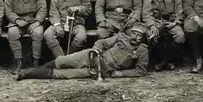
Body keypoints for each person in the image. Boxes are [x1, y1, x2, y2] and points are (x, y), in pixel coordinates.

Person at [16, 23, 149, 80]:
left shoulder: (142, 50)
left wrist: (119, 73)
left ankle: (27, 75)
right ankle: (29, 72)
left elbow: (140, 71)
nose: (135, 37)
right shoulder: (121, 37)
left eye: (139, 35)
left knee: (61, 75)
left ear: (143, 37)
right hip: (91, 56)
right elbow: (102, 42)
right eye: (134, 33)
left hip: (101, 70)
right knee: (61, 61)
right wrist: (97, 49)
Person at [4, 0, 47, 74]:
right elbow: (8, 10)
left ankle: (35, 64)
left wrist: (38, 21)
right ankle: (19, 63)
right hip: (18, 20)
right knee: (12, 33)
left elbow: (43, 7)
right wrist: (17, 20)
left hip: (33, 20)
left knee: (38, 32)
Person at [142, 0, 185, 71]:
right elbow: (146, 13)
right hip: (156, 21)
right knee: (152, 36)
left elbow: (180, 11)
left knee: (180, 36)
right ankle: (161, 60)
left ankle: (166, 61)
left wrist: (175, 23)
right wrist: (152, 25)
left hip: (171, 21)